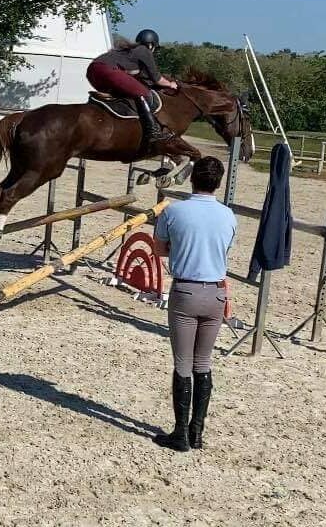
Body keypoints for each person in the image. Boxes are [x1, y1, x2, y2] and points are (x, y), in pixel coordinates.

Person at [151, 156, 236, 451]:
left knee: (183, 364)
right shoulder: (228, 215)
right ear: (219, 182)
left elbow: (159, 249)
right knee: (204, 363)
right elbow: (222, 251)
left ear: (192, 178)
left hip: (185, 291)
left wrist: (181, 247)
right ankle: (197, 430)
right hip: (216, 291)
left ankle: (180, 433)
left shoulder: (174, 212)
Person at [86, 28, 178, 143]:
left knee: (121, 95)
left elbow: (132, 78)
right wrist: (171, 84)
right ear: (151, 45)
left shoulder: (128, 52)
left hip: (92, 71)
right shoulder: (144, 50)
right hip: (107, 70)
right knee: (144, 93)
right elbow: (157, 79)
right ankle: (153, 132)